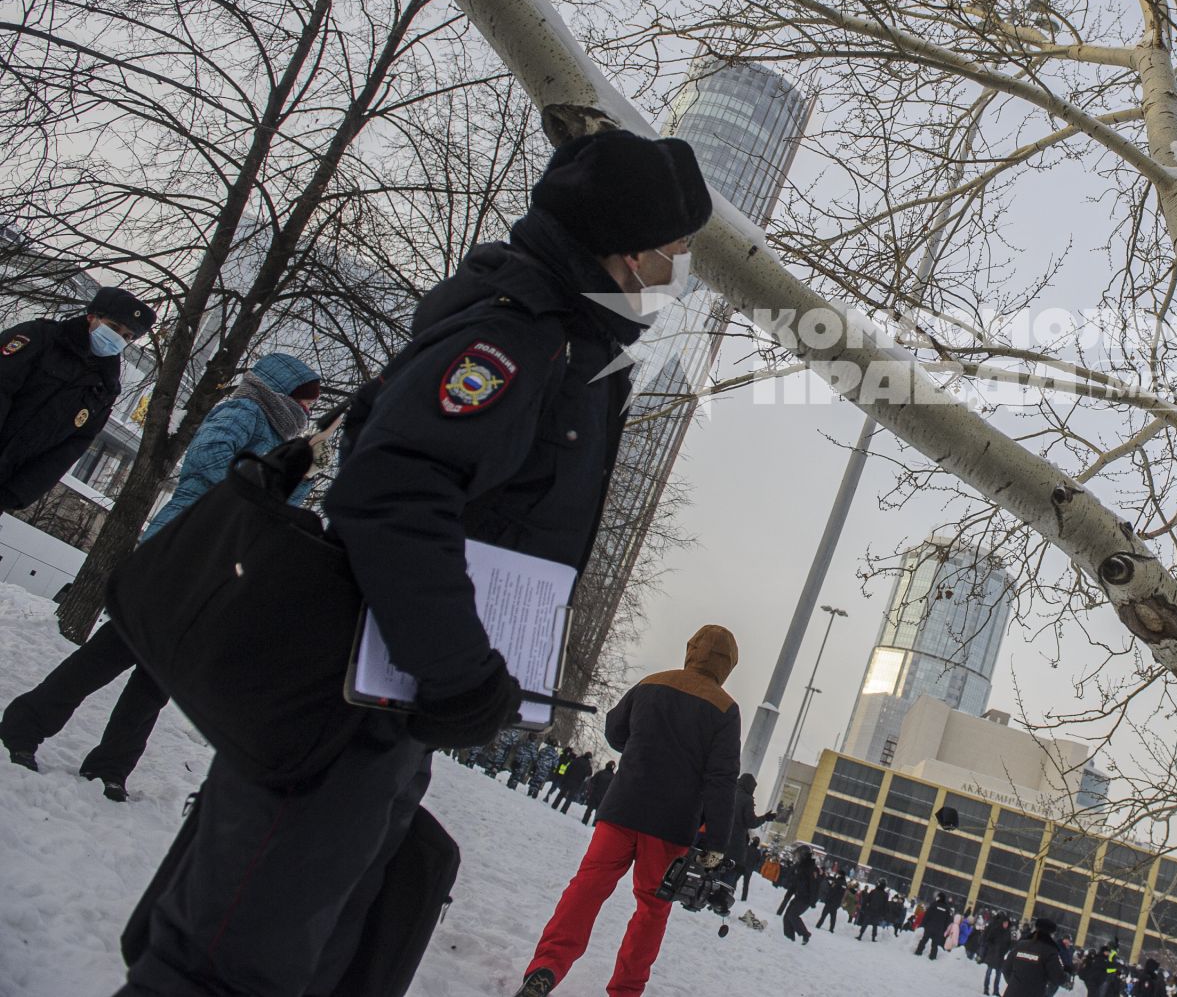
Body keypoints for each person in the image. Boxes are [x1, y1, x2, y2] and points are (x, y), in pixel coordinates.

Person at [116, 128, 713, 997]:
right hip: (341, 705)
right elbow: (390, 490)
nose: (677, 269)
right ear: (621, 249)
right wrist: (459, 668)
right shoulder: (518, 338)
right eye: (672, 250)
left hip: (387, 706)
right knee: (224, 968)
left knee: (299, 957)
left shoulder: (563, 342)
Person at [2, 352, 320, 799]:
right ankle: (25, 724)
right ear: (280, 391)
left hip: (221, 558)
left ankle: (112, 766)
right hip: (182, 546)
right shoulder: (242, 410)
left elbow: (275, 507)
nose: (308, 410)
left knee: (160, 675)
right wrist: (271, 474)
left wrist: (300, 474)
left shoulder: (277, 437)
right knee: (115, 651)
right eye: (304, 400)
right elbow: (209, 462)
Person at [516, 624, 742, 997]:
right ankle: (625, 991)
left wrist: (643, 751)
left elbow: (614, 731)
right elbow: (721, 779)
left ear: (691, 650)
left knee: (587, 887)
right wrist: (716, 841)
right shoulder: (724, 708)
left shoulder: (652, 683)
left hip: (622, 808)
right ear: (728, 665)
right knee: (652, 910)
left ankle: (546, 966)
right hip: (671, 826)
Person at [0, 285, 154, 514]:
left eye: (127, 336)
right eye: (113, 327)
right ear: (92, 317)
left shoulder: (105, 388)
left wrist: (15, 494)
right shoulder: (41, 337)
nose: (118, 339)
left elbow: (71, 448)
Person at [722, 773, 778, 901]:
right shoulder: (747, 799)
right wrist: (765, 817)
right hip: (735, 844)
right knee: (730, 873)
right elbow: (751, 822)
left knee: (718, 869)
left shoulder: (730, 792)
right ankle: (722, 899)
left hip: (721, 838)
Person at [1002, 919, 1071, 997]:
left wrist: (1015, 984)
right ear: (1051, 935)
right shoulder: (1050, 951)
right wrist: (1066, 976)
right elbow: (1058, 977)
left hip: (1012, 993)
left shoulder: (1021, 945)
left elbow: (1006, 968)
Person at [780, 847, 819, 944]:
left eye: (798, 855)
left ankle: (805, 934)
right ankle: (789, 939)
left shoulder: (811, 868)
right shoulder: (799, 866)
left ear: (803, 855)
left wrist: (813, 901)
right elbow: (795, 882)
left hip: (806, 898)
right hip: (798, 896)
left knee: (793, 915)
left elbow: (814, 885)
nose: (797, 857)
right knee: (787, 917)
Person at [978, 912, 1013, 994]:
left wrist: (1005, 951)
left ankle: (996, 991)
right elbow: (988, 939)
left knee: (998, 975)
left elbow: (1009, 944)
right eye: (1005, 923)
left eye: (1007, 923)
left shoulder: (1008, 933)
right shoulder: (996, 930)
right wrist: (992, 947)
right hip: (992, 954)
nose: (1006, 925)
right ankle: (986, 989)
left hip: (1000, 956)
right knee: (989, 973)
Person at [916, 892, 955, 960]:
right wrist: (943, 929)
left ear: (939, 898)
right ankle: (932, 957)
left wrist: (923, 924)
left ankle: (918, 952)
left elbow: (927, 915)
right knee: (935, 944)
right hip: (939, 930)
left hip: (930, 927)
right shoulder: (947, 908)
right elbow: (948, 920)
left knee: (924, 940)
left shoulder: (934, 904)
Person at [578, 761, 615, 827]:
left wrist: (589, 792)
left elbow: (592, 782)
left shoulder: (600, 773)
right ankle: (594, 825)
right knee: (598, 812)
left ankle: (584, 821)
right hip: (604, 798)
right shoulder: (613, 777)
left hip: (594, 794)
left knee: (589, 809)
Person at [815, 862, 847, 932]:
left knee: (824, 915)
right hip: (836, 903)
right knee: (833, 916)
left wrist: (827, 899)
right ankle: (831, 929)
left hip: (830, 901)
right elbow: (842, 893)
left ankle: (818, 925)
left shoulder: (837, 881)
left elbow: (832, 891)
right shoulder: (845, 884)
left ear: (840, 875)